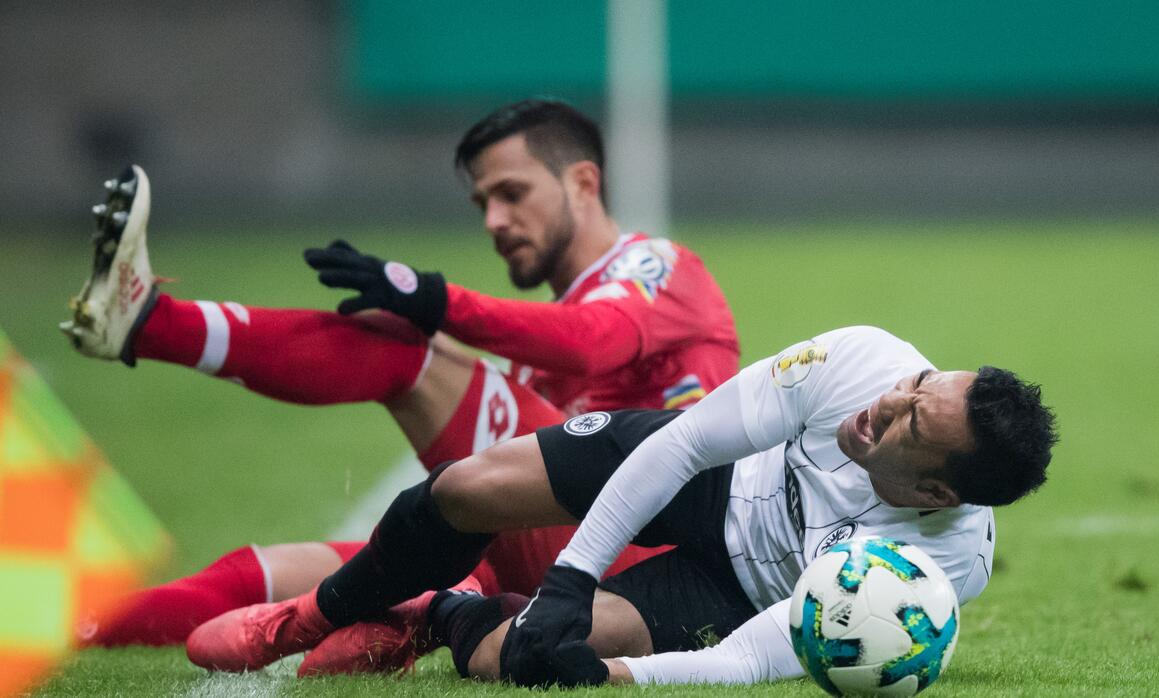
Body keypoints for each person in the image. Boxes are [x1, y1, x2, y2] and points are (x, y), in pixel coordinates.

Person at [61, 99, 739, 652]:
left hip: (644, 559)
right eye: (482, 205)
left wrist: (437, 299)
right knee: (273, 572)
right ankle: (61, 630)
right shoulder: (539, 342)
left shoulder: (658, 268)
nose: (496, 222)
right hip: (557, 555)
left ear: (583, 183)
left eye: (512, 193)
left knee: (410, 354)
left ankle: (149, 322)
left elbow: (592, 344)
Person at [184, 325, 1057, 687]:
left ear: (939, 492)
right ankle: (308, 615)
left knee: (522, 660)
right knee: (465, 490)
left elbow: (770, 652)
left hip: (737, 597)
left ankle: (435, 616)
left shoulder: (938, 570)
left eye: (910, 422)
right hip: (717, 475)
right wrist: (572, 572)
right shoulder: (862, 361)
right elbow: (682, 445)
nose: (886, 405)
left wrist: (619, 676)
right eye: (916, 386)